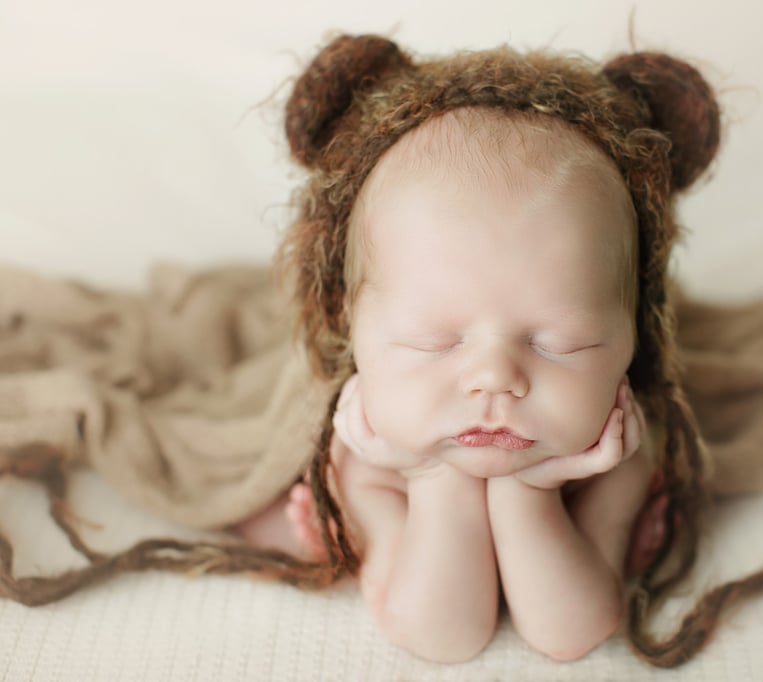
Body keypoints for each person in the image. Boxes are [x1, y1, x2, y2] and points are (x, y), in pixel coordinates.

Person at [239, 34, 720, 663]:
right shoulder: (366, 451)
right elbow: (442, 635)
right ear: (353, 331)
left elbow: (570, 632)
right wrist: (431, 476)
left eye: (560, 343)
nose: (495, 378)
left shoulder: (615, 453)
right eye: (433, 341)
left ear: (634, 336)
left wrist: (529, 492)